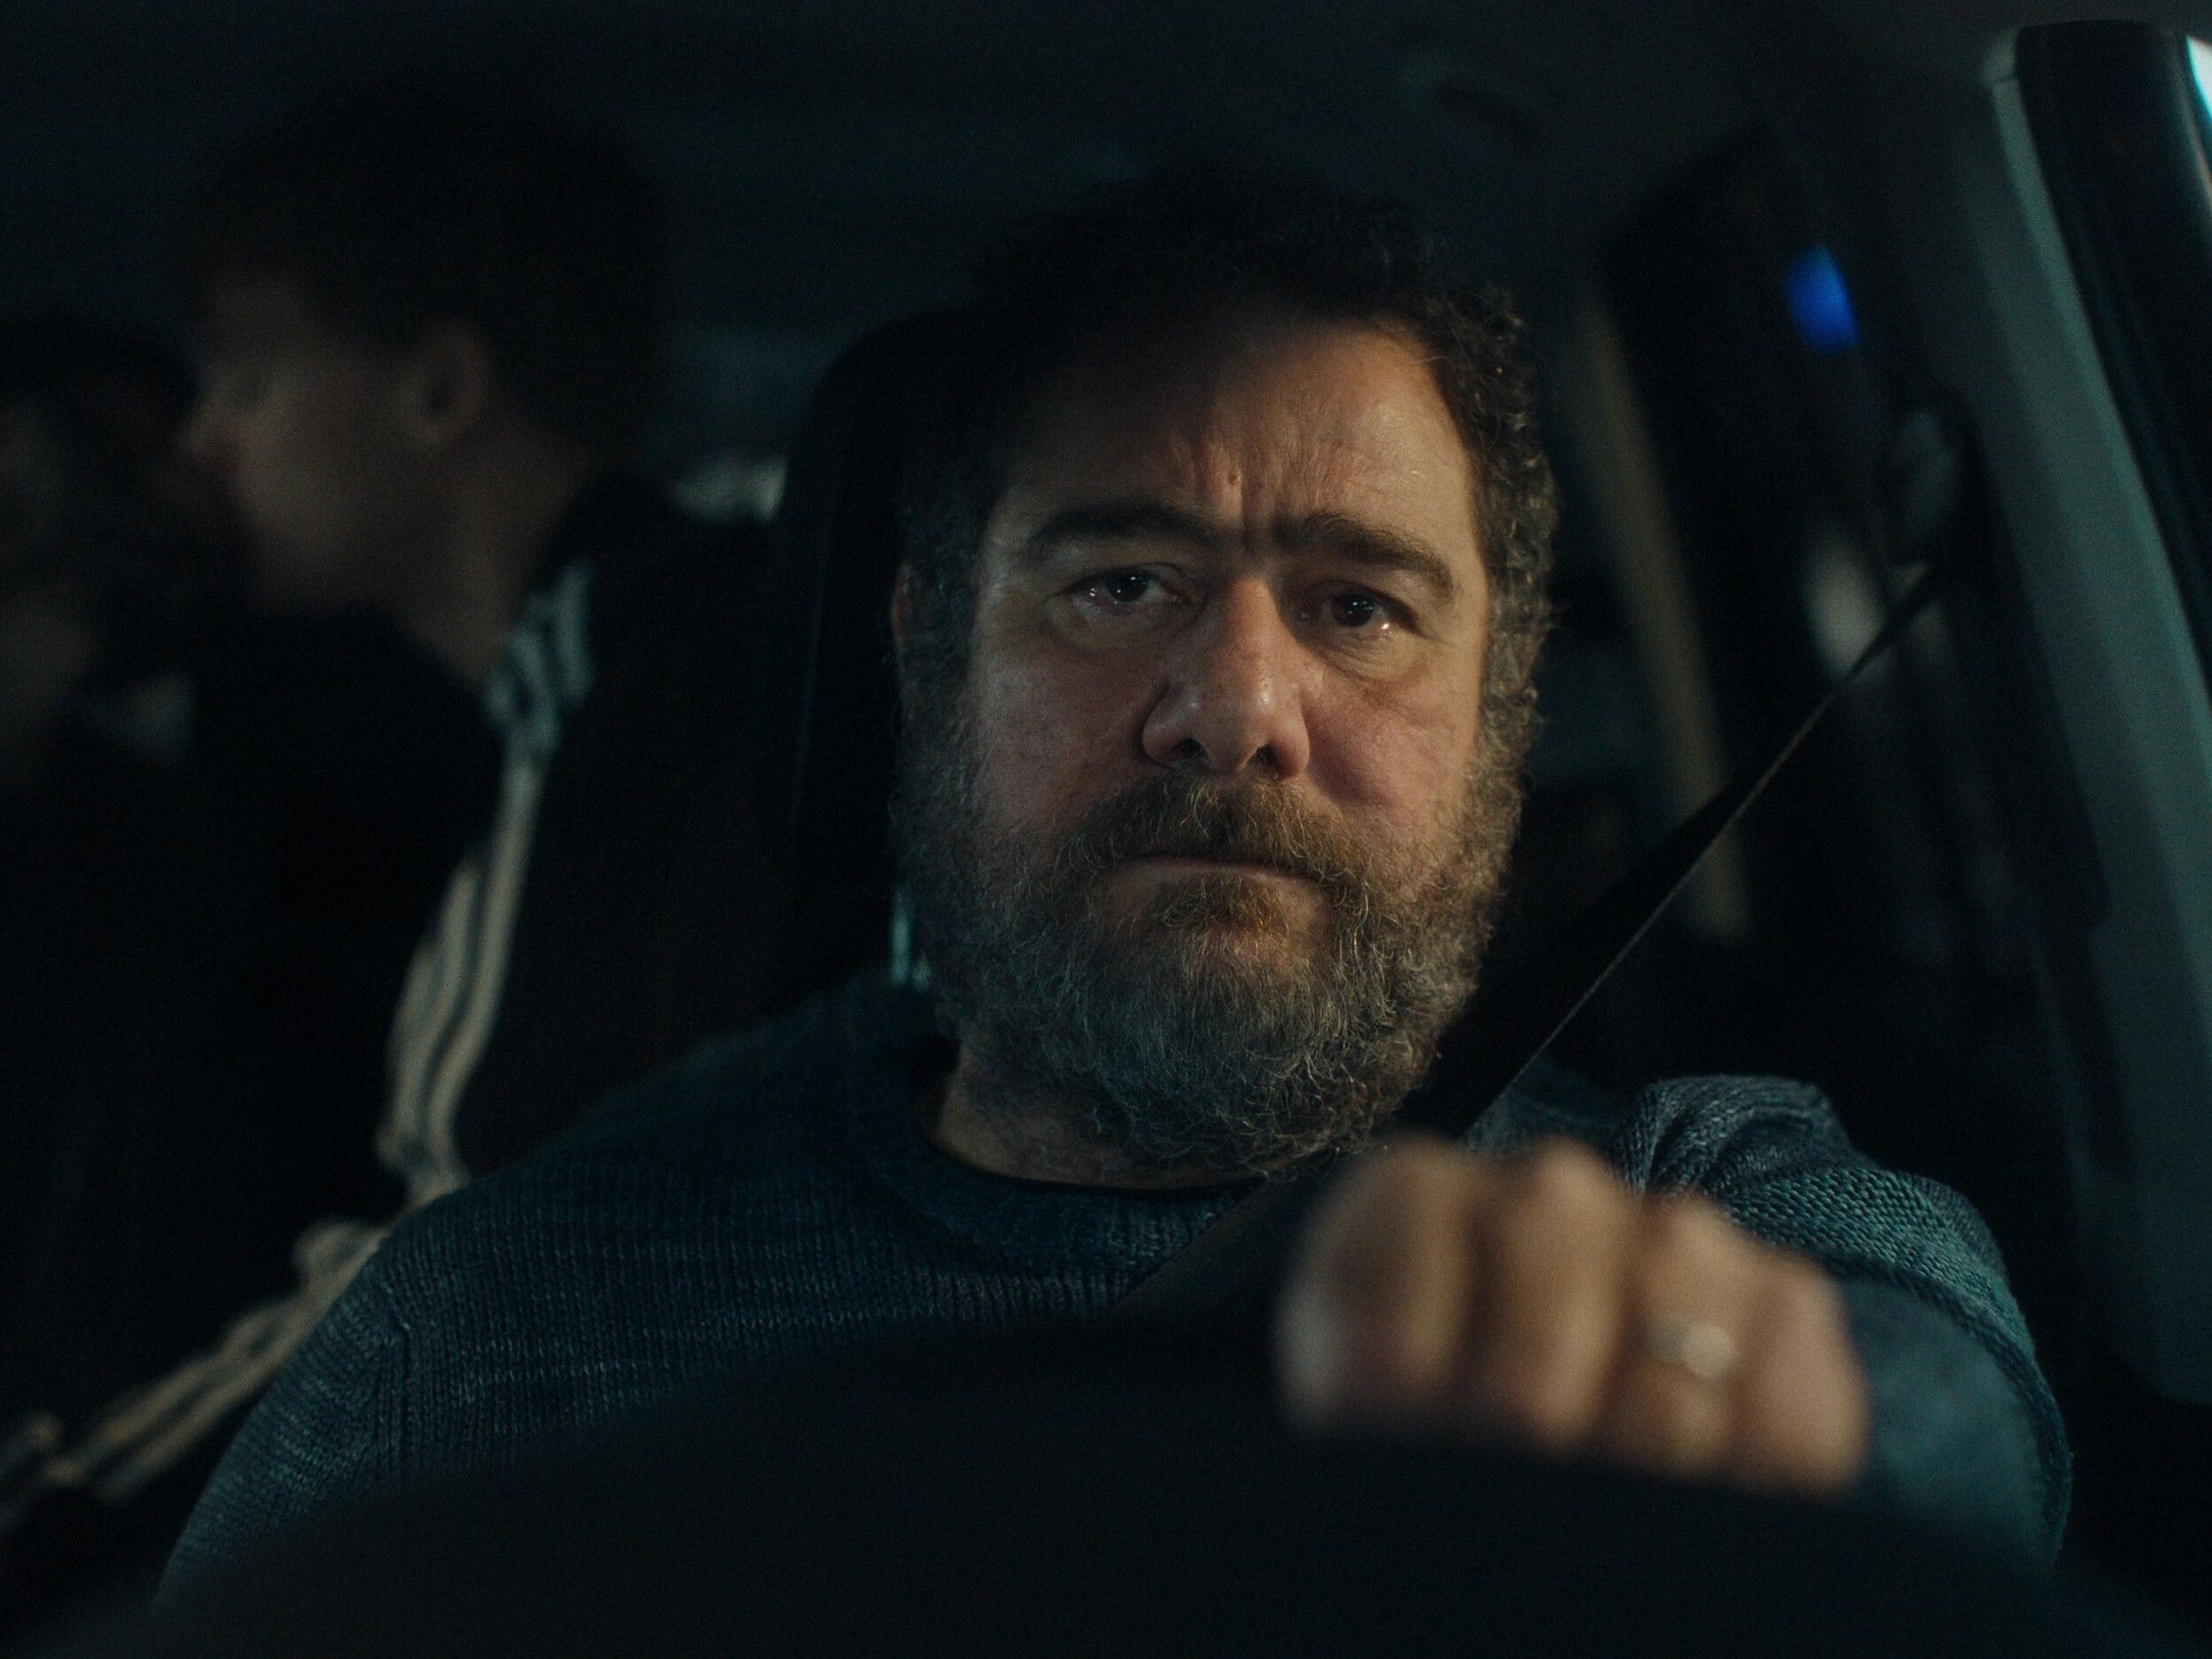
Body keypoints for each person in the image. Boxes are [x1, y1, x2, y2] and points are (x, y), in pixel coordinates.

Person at [164, 171, 2068, 1595]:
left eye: (1358, 607)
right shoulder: (504, 1321)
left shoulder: (1702, 1198)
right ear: (926, 655)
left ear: (1502, 712)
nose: (1234, 709)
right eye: (1119, 584)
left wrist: (1738, 1418)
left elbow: (1943, 1406)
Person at [23, 77, 794, 1535]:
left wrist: (58, 1507)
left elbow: (453, 1248)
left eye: (247, 384)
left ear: (439, 392)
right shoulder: (674, 650)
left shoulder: (611, 671)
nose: (202, 444)